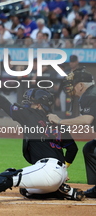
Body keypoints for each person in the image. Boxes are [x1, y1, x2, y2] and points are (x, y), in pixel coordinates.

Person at [0, 65, 84, 203]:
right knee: (25, 190)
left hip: (47, 170)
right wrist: (64, 169)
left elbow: (4, 103)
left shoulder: (31, 115)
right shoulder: (57, 122)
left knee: (11, 176)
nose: (28, 104)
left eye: (31, 102)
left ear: (39, 105)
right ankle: (64, 192)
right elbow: (72, 148)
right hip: (58, 174)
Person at [48, 67, 96, 198]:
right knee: (90, 148)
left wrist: (59, 121)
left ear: (80, 85)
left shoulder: (90, 95)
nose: (70, 87)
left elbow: (87, 120)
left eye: (72, 84)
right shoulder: (91, 93)